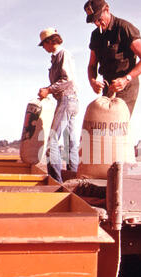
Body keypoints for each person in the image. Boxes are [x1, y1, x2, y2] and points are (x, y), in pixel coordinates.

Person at [84, 0, 141, 116]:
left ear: (107, 10)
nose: (97, 23)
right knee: (103, 125)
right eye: (94, 21)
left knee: (118, 124)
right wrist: (93, 81)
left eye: (99, 18)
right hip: (107, 85)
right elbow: (92, 65)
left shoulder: (124, 28)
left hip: (125, 86)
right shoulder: (95, 36)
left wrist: (126, 79)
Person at [38, 28, 79, 183]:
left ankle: (55, 181)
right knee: (70, 141)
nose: (43, 48)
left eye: (43, 44)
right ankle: (73, 178)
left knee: (52, 142)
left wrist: (48, 90)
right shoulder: (56, 58)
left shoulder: (63, 54)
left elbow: (67, 80)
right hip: (70, 100)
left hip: (67, 99)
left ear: (50, 41)